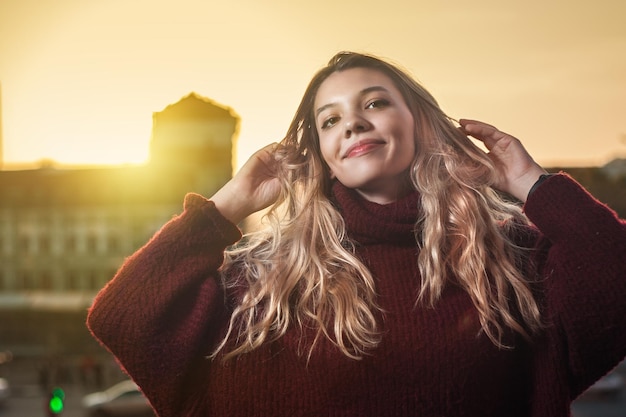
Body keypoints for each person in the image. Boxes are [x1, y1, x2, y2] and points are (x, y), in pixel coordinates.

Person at [87, 51, 626, 417]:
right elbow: (125, 317)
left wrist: (531, 183)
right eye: (329, 120)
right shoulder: (268, 281)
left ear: (419, 124)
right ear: (321, 155)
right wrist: (225, 208)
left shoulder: (510, 261)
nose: (353, 123)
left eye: (374, 103)